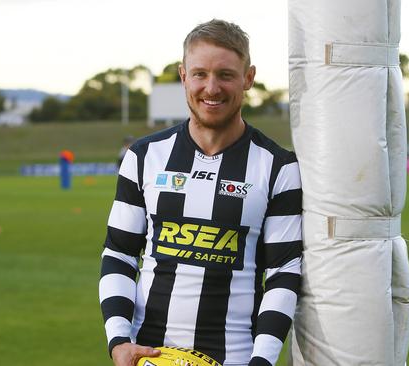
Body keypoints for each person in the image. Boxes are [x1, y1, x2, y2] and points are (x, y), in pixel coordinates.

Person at [99, 19, 302, 366]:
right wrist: (119, 341)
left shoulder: (278, 167)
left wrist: (263, 360)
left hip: (235, 358)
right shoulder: (145, 156)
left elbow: (284, 270)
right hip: (149, 357)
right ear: (183, 76)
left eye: (225, 74)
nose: (212, 88)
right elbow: (119, 253)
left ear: (248, 78)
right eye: (200, 74)